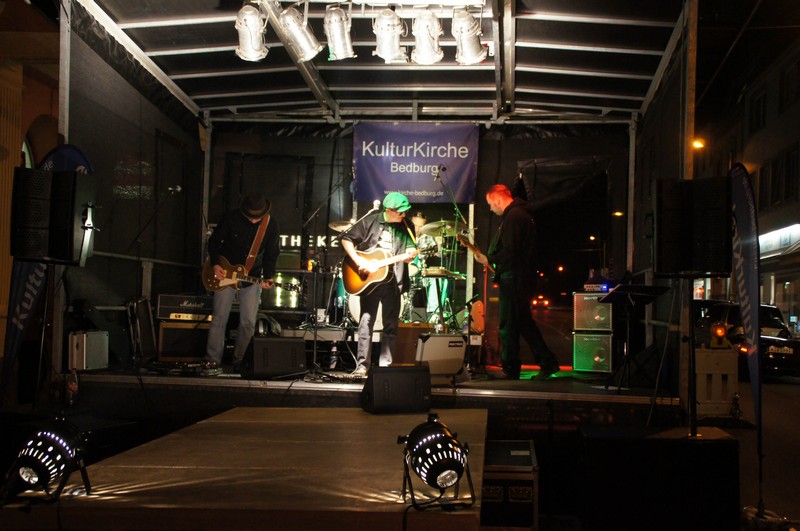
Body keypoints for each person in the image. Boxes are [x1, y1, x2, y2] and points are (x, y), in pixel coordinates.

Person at [472, 184, 559, 381]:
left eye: (490, 204)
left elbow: (511, 250)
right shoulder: (521, 214)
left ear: (497, 199)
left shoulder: (514, 216)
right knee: (523, 323)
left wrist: (490, 259)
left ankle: (511, 369)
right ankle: (547, 363)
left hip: (514, 278)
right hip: (520, 277)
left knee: (509, 325)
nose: (490, 209)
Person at [340, 192, 417, 377]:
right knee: (366, 322)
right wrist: (359, 261)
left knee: (391, 325)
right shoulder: (370, 221)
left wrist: (410, 256)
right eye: (400, 212)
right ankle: (362, 366)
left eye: (405, 212)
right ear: (389, 210)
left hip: (394, 281)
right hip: (370, 282)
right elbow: (346, 239)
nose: (404, 215)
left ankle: (385, 367)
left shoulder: (407, 225)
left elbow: (409, 250)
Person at [203, 193, 281, 375]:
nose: (253, 220)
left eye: (257, 217)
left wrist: (269, 276)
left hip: (252, 275)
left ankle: (241, 361)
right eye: (250, 216)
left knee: (248, 322)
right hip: (225, 272)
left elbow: (272, 253)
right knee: (219, 317)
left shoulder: (271, 224)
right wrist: (215, 264)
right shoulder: (231, 217)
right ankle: (212, 359)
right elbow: (214, 241)